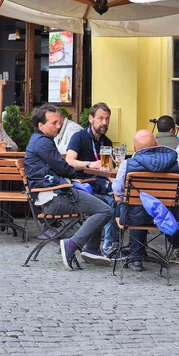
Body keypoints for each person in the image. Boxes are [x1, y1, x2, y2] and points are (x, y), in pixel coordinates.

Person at [24, 104, 113, 270]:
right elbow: (63, 168)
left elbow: (60, 169)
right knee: (106, 210)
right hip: (54, 198)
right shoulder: (43, 142)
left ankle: (92, 249)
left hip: (52, 194)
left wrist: (72, 178)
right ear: (41, 125)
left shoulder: (38, 140)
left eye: (59, 122)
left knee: (100, 201)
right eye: (54, 123)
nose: (58, 126)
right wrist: (74, 177)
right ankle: (72, 245)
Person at [112, 130, 179, 271]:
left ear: (135, 149)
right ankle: (178, 247)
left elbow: (118, 190)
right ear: (156, 144)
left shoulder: (127, 164)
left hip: (133, 218)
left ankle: (136, 259)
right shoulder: (177, 164)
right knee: (142, 206)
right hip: (166, 216)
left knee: (133, 205)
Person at [65, 103, 118, 256]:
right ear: (90, 118)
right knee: (108, 202)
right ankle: (108, 245)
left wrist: (117, 184)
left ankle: (113, 243)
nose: (105, 123)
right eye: (100, 118)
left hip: (101, 183)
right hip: (83, 185)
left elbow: (109, 168)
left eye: (107, 119)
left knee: (120, 198)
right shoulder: (79, 137)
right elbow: (69, 161)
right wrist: (90, 164)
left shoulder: (106, 141)